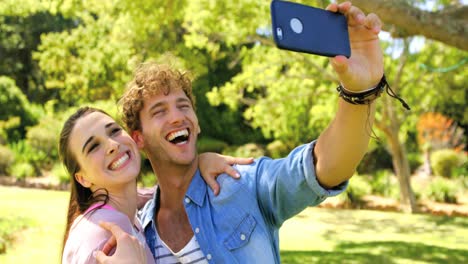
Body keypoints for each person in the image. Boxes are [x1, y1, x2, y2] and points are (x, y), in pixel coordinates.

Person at [107, 1, 386, 263]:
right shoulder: (139, 232)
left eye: (183, 106)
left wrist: (360, 92)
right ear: (138, 138)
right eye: (159, 111)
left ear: (197, 122)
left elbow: (322, 168)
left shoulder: (243, 184)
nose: (178, 117)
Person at [59, 107, 253, 264]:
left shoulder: (126, 211)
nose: (112, 145)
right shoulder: (104, 232)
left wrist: (199, 163)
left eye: (114, 131)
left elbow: (165, 191)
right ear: (82, 179)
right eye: (93, 147)